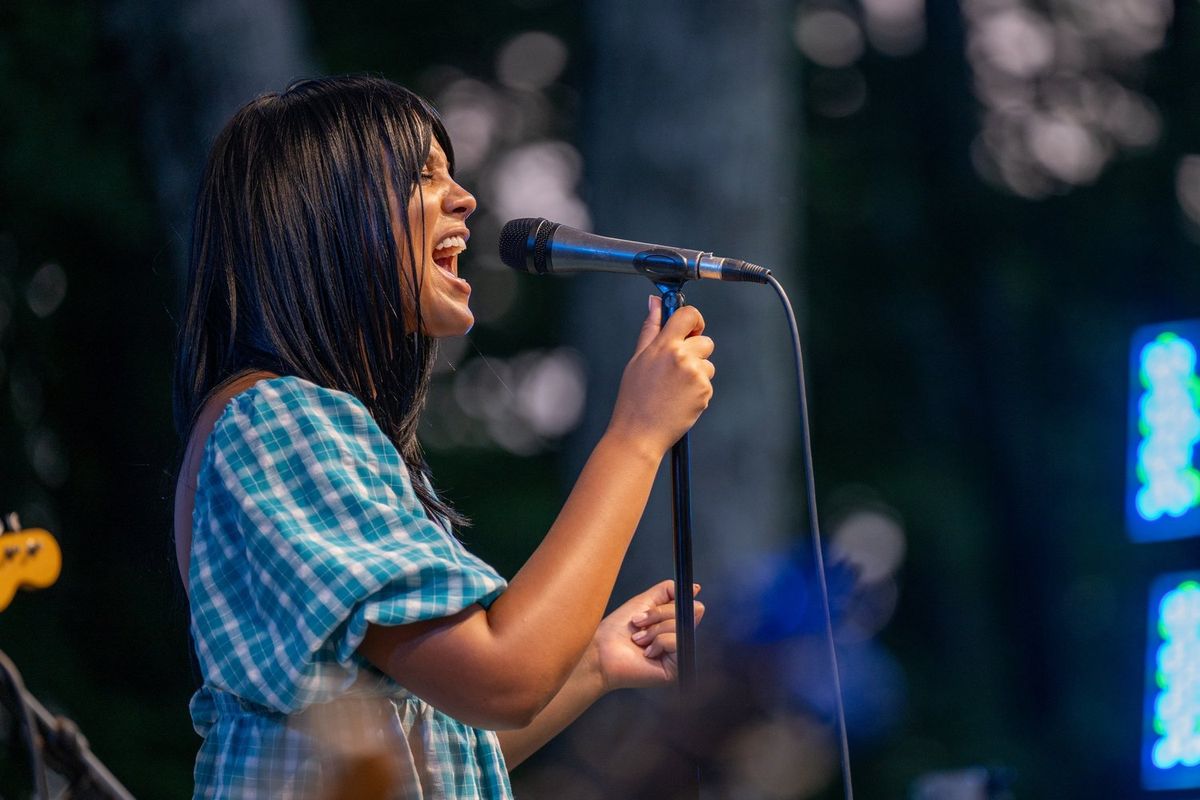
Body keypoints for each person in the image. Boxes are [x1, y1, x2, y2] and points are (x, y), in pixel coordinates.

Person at [171, 75, 715, 799]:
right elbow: (504, 679)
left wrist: (594, 661)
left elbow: (424, 755)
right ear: (325, 214)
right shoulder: (278, 421)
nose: (464, 199)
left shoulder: (313, 428)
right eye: (423, 176)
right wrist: (637, 435)